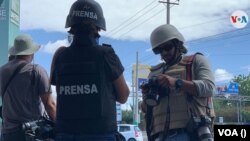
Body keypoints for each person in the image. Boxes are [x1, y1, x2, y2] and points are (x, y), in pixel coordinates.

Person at [50, 0, 130, 141]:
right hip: (101, 134)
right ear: (98, 27)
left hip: (65, 134)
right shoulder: (106, 54)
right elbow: (123, 96)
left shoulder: (60, 56)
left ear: (72, 26)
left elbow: (59, 89)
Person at [140, 24, 216, 141]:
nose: (164, 53)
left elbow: (209, 87)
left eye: (167, 47)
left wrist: (176, 82)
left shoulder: (195, 61)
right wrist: (147, 96)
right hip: (160, 136)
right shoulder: (154, 73)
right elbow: (146, 109)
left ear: (178, 44)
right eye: (159, 50)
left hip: (191, 133)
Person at [0, 34, 56, 141]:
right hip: (31, 133)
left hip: (7, 134)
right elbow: (50, 105)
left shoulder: (2, 71)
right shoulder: (37, 71)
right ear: (31, 52)